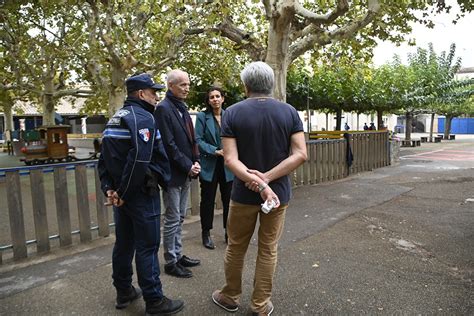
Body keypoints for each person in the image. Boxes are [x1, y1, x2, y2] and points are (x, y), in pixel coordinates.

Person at [211, 62, 307, 316]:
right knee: (268, 248)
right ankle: (260, 305)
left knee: (236, 246)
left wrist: (258, 182)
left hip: (243, 193)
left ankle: (230, 296)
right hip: (277, 195)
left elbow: (230, 159)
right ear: (271, 84)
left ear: (246, 86)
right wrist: (268, 180)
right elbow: (300, 154)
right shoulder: (289, 112)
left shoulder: (231, 113)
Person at [98, 73, 184, 315]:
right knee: (147, 247)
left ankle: (124, 291)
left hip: (122, 195)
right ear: (141, 94)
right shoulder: (143, 117)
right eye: (153, 92)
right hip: (139, 194)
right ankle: (155, 300)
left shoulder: (115, 118)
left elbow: (102, 159)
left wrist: (110, 189)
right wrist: (123, 192)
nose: (157, 96)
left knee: (124, 244)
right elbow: (139, 159)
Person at [154, 69, 201, 278]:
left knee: (180, 217)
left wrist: (197, 160)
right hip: (173, 174)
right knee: (172, 218)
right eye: (182, 84)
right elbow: (169, 144)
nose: (187, 88)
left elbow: (191, 139)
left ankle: (178, 254)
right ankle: (170, 261)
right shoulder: (163, 109)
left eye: (188, 84)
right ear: (170, 86)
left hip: (186, 171)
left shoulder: (181, 107)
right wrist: (188, 165)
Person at [195, 87, 234, 249]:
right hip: (210, 165)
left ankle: (228, 232)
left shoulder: (230, 115)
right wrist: (214, 150)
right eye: (212, 97)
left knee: (228, 201)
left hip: (228, 165)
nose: (215, 99)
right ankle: (206, 233)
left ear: (223, 98)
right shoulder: (202, 117)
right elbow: (198, 139)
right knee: (208, 201)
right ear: (208, 100)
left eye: (218, 96)